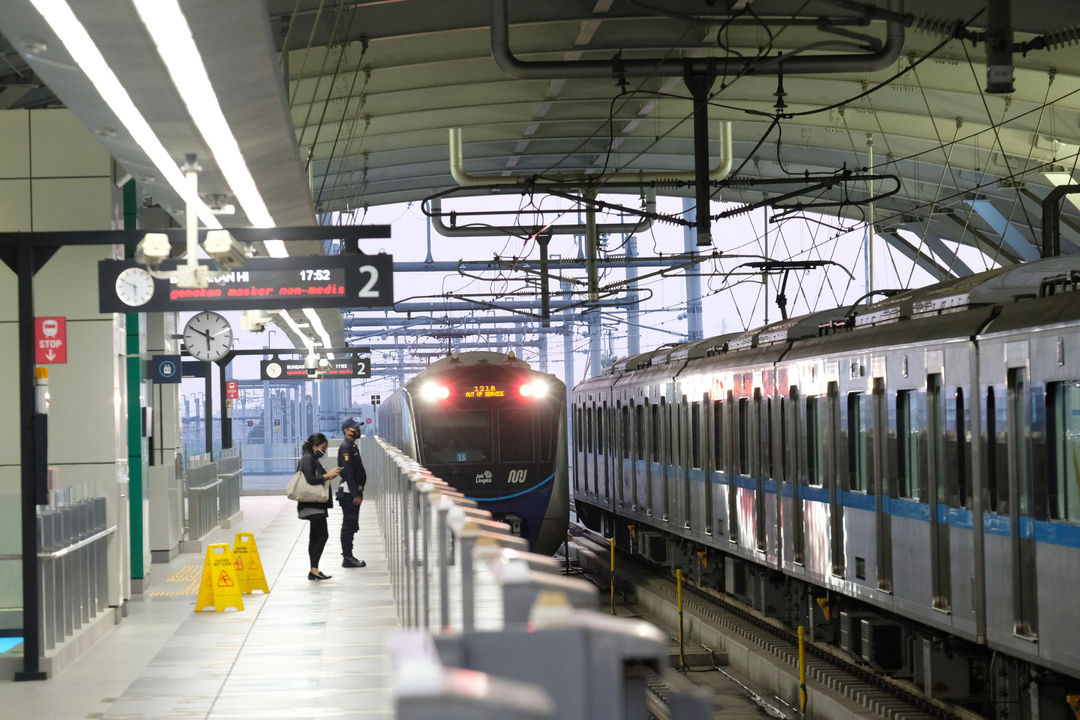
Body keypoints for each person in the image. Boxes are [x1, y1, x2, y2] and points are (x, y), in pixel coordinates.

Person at [297, 432, 341, 581]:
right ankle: (314, 570)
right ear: (315, 446)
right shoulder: (308, 458)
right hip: (312, 504)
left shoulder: (310, 458)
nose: (324, 451)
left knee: (315, 535)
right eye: (323, 447)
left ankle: (314, 570)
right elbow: (310, 479)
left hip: (314, 504)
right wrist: (328, 475)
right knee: (322, 535)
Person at [337, 418, 368, 568]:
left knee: (351, 524)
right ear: (346, 431)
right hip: (349, 493)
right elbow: (348, 472)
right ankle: (347, 558)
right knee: (348, 524)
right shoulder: (345, 447)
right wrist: (356, 493)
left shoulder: (351, 446)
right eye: (354, 428)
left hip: (353, 492)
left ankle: (349, 556)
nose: (357, 430)